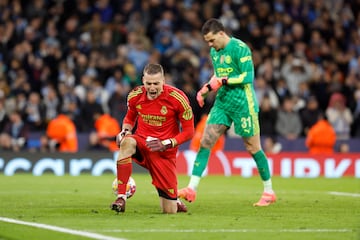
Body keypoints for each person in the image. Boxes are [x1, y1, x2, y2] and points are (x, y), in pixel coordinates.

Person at [178, 18, 276, 207]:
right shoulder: (214, 52)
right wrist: (205, 88)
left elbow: (248, 76)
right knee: (205, 141)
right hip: (222, 103)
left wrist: (223, 81)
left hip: (243, 105)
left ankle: (269, 191)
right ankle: (191, 188)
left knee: (253, 148)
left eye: (211, 40)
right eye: (207, 41)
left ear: (221, 34)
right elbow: (218, 74)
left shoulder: (240, 48)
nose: (210, 44)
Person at [111, 63, 194, 214]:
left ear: (163, 80)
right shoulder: (135, 95)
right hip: (142, 143)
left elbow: (189, 132)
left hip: (164, 153)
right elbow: (129, 118)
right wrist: (124, 131)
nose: (152, 87)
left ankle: (174, 200)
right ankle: (121, 197)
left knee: (169, 211)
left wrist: (167, 143)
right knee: (127, 142)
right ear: (143, 80)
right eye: (148, 83)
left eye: (156, 83)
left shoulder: (177, 98)